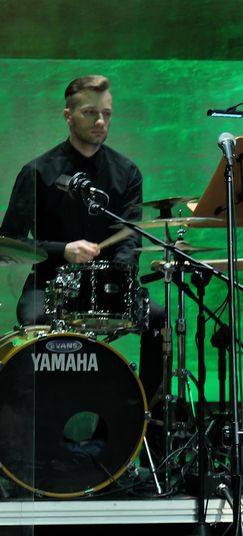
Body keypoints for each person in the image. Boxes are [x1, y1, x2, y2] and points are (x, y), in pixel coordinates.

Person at [1, 75, 164, 408]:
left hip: (110, 286)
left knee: (160, 320)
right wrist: (63, 250)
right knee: (34, 320)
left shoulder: (127, 172)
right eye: (90, 112)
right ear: (68, 115)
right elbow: (9, 240)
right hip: (49, 285)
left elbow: (130, 236)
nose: (100, 121)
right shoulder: (37, 172)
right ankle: (46, 413)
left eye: (106, 113)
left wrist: (118, 278)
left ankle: (143, 415)